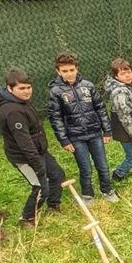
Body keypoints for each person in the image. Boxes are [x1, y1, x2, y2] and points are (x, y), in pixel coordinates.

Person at [0, 68, 64, 224]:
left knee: (57, 175)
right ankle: (27, 218)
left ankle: (53, 206)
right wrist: (38, 165)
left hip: (39, 151)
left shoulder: (22, 102)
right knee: (40, 187)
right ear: (10, 88)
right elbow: (24, 142)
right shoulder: (12, 111)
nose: (27, 91)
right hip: (23, 157)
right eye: (21, 88)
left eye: (28, 87)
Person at [47, 53, 115, 202]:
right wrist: (64, 140)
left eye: (72, 70)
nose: (69, 74)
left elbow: (100, 108)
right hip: (75, 137)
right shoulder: (55, 92)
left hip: (95, 133)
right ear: (58, 71)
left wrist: (107, 130)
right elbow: (55, 118)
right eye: (65, 71)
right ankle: (88, 195)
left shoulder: (88, 86)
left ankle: (107, 190)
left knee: (103, 165)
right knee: (85, 168)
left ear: (77, 68)